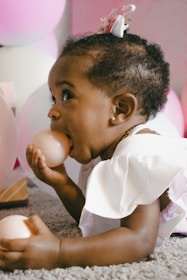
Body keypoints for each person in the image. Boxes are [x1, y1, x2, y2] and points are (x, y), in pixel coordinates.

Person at [0, 4, 187, 270]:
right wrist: (63, 184)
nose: (52, 112)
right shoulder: (110, 158)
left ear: (120, 110)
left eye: (67, 96)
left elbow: (137, 240)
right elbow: (101, 224)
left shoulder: (138, 155)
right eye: (53, 98)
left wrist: (58, 252)